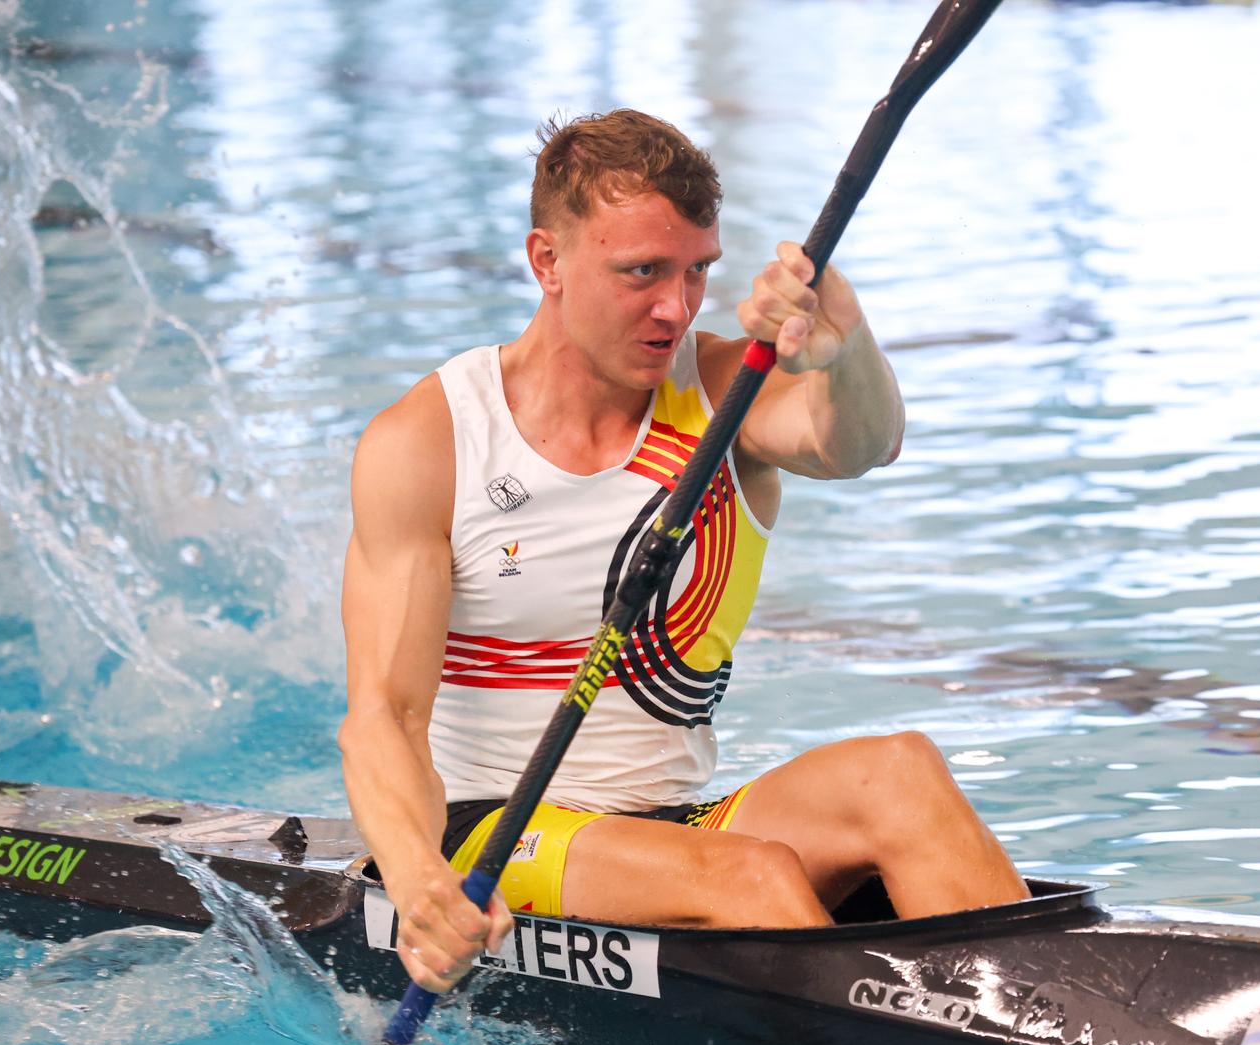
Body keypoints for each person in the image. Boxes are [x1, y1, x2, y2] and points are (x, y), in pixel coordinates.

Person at [339, 110, 1027, 995]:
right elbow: (382, 718)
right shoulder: (432, 439)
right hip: (490, 831)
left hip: (676, 823)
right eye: (642, 273)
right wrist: (418, 884)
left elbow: (857, 445)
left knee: (901, 775)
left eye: (697, 270)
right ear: (546, 261)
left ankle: (1040, 1028)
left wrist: (845, 349)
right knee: (754, 877)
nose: (677, 305)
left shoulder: (722, 392)